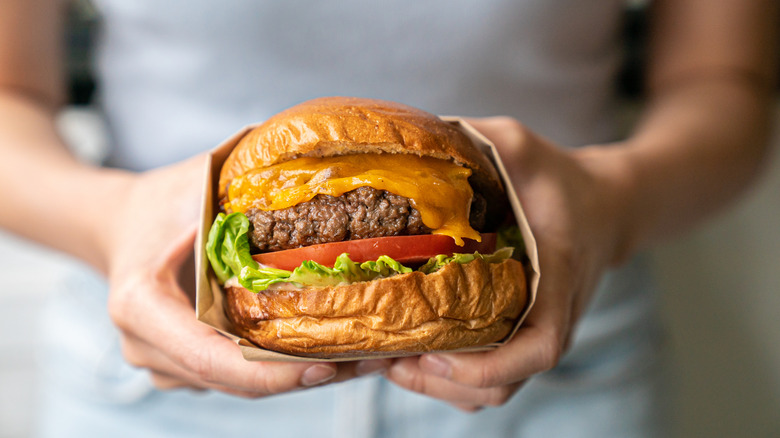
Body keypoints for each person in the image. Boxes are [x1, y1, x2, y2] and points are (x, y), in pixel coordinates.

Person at [0, 0, 775, 437]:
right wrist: (110, 221)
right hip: (158, 376)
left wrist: (615, 199)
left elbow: (726, 80)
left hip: (565, 365)